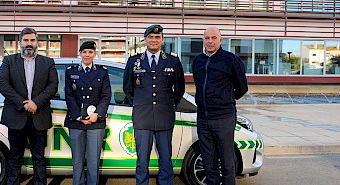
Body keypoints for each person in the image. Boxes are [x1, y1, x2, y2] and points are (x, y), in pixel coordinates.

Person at [123, 24, 185, 185]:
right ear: (145, 39)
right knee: (142, 161)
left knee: (166, 159)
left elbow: (179, 89)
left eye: (157, 37)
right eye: (150, 37)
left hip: (164, 117)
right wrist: (139, 104)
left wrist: (171, 105)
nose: (154, 40)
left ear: (162, 40)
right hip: (142, 119)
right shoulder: (134, 61)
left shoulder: (173, 61)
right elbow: (127, 88)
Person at [0, 27, 59, 185]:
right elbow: (3, 84)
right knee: (15, 157)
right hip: (16, 116)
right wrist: (23, 104)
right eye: (26, 40)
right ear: (20, 43)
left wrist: (36, 102)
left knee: (39, 158)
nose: (29, 44)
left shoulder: (48, 62)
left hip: (39, 116)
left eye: (32, 40)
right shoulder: (9, 61)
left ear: (37, 42)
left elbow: (53, 86)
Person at [192, 27, 248, 185]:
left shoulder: (231, 60)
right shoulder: (197, 61)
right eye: (207, 38)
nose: (210, 41)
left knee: (226, 162)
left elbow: (242, 87)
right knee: (208, 162)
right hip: (203, 118)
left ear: (220, 40)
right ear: (203, 40)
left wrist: (229, 99)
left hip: (223, 117)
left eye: (213, 38)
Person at [64, 41, 111, 185]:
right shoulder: (71, 72)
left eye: (90, 52)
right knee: (77, 161)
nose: (87, 55)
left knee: (93, 161)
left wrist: (97, 114)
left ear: (94, 54)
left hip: (95, 122)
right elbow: (69, 95)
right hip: (76, 121)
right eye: (84, 52)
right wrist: (79, 116)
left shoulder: (102, 72)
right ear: (80, 53)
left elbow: (106, 96)